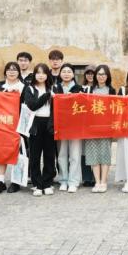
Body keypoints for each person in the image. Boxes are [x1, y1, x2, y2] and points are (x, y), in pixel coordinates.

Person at [0, 62, 25, 194]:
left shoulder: (25, 87)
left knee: (18, 152)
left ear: (19, 72)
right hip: (2, 124)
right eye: (9, 69)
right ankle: (1, 181)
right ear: (5, 72)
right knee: (1, 151)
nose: (11, 72)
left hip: (19, 124)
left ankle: (16, 181)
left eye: (14, 69)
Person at [24, 64, 57, 197]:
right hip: (35, 124)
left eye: (43, 73)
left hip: (50, 124)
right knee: (35, 156)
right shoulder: (30, 88)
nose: (41, 75)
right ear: (35, 75)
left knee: (49, 155)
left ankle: (47, 183)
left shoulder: (53, 88)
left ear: (47, 75)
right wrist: (47, 96)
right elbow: (32, 105)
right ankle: (37, 184)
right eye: (38, 73)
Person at [84, 64, 116, 193]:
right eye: (99, 74)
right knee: (93, 154)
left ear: (107, 76)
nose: (101, 76)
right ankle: (97, 181)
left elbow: (115, 108)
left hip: (106, 127)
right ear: (95, 76)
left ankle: (104, 181)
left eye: (103, 74)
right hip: (91, 127)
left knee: (104, 154)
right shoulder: (89, 90)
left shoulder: (111, 90)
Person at [53, 64, 83, 193]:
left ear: (73, 74)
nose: (66, 74)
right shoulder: (55, 88)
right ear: (60, 74)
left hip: (75, 126)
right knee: (62, 154)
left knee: (75, 154)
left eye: (69, 71)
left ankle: (74, 181)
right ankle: (63, 180)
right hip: (60, 125)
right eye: (64, 71)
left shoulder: (79, 88)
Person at [80, 65, 97, 188]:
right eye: (88, 73)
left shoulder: (98, 88)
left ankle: (96, 176)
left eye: (92, 73)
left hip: (95, 123)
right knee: (84, 151)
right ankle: (86, 177)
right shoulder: (80, 88)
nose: (90, 75)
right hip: (83, 123)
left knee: (95, 149)